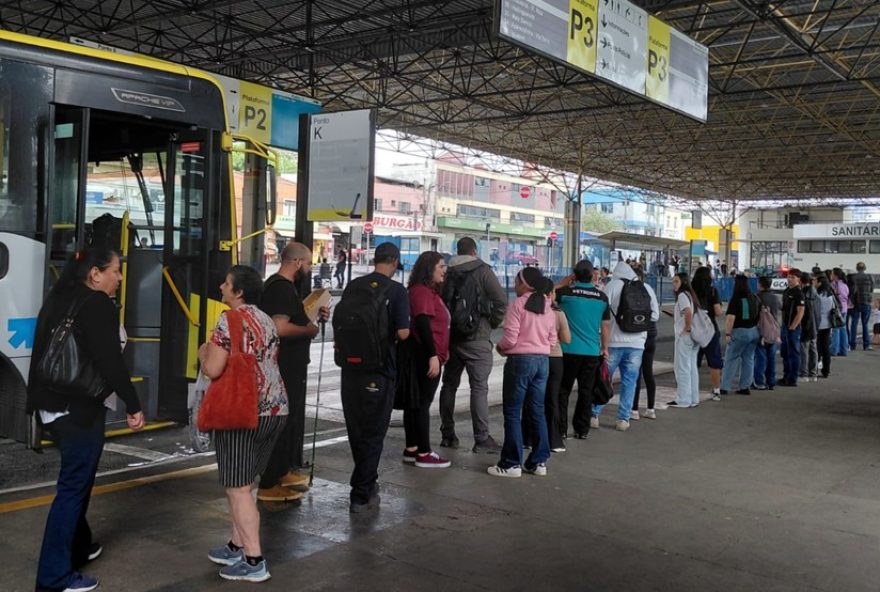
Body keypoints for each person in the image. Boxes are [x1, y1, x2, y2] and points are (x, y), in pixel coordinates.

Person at [28, 248, 145, 592]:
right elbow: (110, 362)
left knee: (77, 482)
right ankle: (53, 577)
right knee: (73, 488)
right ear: (95, 274)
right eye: (116, 270)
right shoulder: (96, 305)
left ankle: (81, 544)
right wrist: (133, 404)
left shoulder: (59, 297)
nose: (120, 278)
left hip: (50, 406)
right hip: (77, 409)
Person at [199, 265, 287, 583]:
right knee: (248, 483)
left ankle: (253, 560)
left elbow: (213, 367)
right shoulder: (266, 319)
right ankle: (236, 544)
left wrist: (202, 353)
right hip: (276, 410)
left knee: (237, 489)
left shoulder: (229, 319)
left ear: (238, 292)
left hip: (241, 413)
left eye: (227, 283)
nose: (221, 286)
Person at [338, 242, 410, 512]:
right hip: (379, 371)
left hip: (350, 369)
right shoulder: (397, 291)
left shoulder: (354, 286)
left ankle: (367, 482)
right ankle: (361, 493)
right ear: (394, 262)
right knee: (374, 432)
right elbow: (403, 333)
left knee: (357, 430)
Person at [257, 242, 329, 503]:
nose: (310, 268)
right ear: (297, 262)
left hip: (289, 365)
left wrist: (310, 316)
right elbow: (279, 328)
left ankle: (282, 470)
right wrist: (309, 330)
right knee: (282, 421)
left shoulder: (281, 288)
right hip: (283, 366)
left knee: (290, 420)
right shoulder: (281, 289)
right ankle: (269, 482)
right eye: (308, 263)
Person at [438, 237, 507, 452]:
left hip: (452, 338)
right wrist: (492, 323)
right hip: (477, 337)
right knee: (479, 388)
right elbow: (501, 301)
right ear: (475, 251)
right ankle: (482, 438)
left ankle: (448, 434)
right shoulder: (483, 270)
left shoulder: (446, 271)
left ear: (458, 251)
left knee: (449, 385)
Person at [489, 267, 557, 478]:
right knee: (537, 411)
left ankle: (511, 464)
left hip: (520, 362)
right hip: (543, 362)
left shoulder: (517, 305)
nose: (515, 285)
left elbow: (510, 339)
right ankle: (539, 462)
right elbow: (553, 340)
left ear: (524, 284)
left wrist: (499, 348)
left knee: (512, 412)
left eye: (517, 281)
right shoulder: (548, 307)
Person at [591, 260, 657, 431]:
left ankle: (594, 414)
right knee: (630, 381)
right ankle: (623, 419)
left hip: (614, 341)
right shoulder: (646, 288)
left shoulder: (612, 286)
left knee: (604, 378)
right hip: (637, 344)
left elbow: (601, 311)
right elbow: (654, 316)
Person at [402, 251, 452, 468]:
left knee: (415, 403)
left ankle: (412, 448)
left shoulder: (424, 291)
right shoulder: (422, 292)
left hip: (426, 354)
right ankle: (424, 452)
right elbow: (423, 324)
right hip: (424, 356)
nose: (444, 270)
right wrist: (433, 355)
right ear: (429, 268)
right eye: (441, 266)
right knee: (422, 403)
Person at [554, 260, 610, 441]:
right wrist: (604, 348)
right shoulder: (602, 298)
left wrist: (564, 282)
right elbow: (606, 326)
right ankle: (582, 429)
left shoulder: (565, 294)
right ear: (592, 275)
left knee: (563, 391)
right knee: (586, 391)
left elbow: (546, 295)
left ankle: (560, 429)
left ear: (574, 275)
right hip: (592, 352)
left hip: (568, 350)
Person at [720, 275, 761, 395]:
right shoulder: (754, 297)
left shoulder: (736, 298)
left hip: (740, 332)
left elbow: (730, 318)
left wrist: (727, 333)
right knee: (748, 359)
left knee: (731, 359)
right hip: (753, 331)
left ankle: (725, 386)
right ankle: (745, 387)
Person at [632, 267, 660, 420]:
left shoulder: (632, 291)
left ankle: (634, 409)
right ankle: (650, 408)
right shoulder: (649, 288)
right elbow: (655, 314)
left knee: (635, 372)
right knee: (648, 372)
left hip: (639, 334)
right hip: (652, 333)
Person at [669, 272, 700, 408]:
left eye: (676, 281)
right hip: (694, 336)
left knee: (682, 367)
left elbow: (688, 312)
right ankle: (693, 398)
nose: (673, 284)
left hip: (685, 336)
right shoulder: (690, 295)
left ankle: (683, 399)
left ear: (683, 282)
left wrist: (686, 328)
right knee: (692, 367)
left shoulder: (682, 295)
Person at [692, 266, 723, 400]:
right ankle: (716, 391)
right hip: (710, 330)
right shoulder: (712, 291)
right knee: (714, 361)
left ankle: (691, 389)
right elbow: (718, 312)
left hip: (694, 330)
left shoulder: (690, 292)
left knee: (692, 361)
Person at [779, 269, 806, 387]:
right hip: (785, 326)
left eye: (793, 277)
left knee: (793, 353)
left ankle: (792, 378)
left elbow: (801, 312)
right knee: (785, 352)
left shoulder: (798, 293)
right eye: (789, 277)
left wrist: (793, 327)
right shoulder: (786, 291)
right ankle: (786, 375)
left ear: (798, 279)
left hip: (793, 328)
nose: (790, 279)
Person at [753, 276, 781, 390]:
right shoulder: (775, 297)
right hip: (773, 330)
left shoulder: (757, 297)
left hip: (761, 330)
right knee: (771, 357)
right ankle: (771, 381)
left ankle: (759, 382)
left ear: (760, 284)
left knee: (760, 356)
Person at [799, 272, 820, 382]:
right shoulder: (815, 294)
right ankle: (813, 373)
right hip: (815, 325)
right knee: (813, 349)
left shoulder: (803, 294)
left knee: (804, 350)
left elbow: (802, 312)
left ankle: (804, 374)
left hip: (806, 326)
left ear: (801, 281)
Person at [848, 261, 875, 351]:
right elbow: (871, 289)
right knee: (865, 324)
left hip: (855, 303)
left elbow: (851, 291)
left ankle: (852, 344)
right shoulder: (869, 277)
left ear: (857, 268)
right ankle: (866, 345)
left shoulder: (853, 277)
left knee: (854, 324)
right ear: (865, 268)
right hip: (866, 302)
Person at [814, 272, 836, 379]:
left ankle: (815, 369)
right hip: (828, 324)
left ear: (820, 283)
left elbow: (815, 310)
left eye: (815, 281)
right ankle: (826, 370)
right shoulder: (830, 295)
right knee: (826, 348)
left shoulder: (818, 296)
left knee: (817, 348)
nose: (814, 283)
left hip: (818, 324)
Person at [830, 268, 849, 356]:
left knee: (835, 329)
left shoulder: (835, 285)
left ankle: (834, 350)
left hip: (838, 309)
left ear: (835, 275)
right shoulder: (845, 285)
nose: (831, 275)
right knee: (843, 329)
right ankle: (844, 350)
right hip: (845, 308)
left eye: (832, 274)